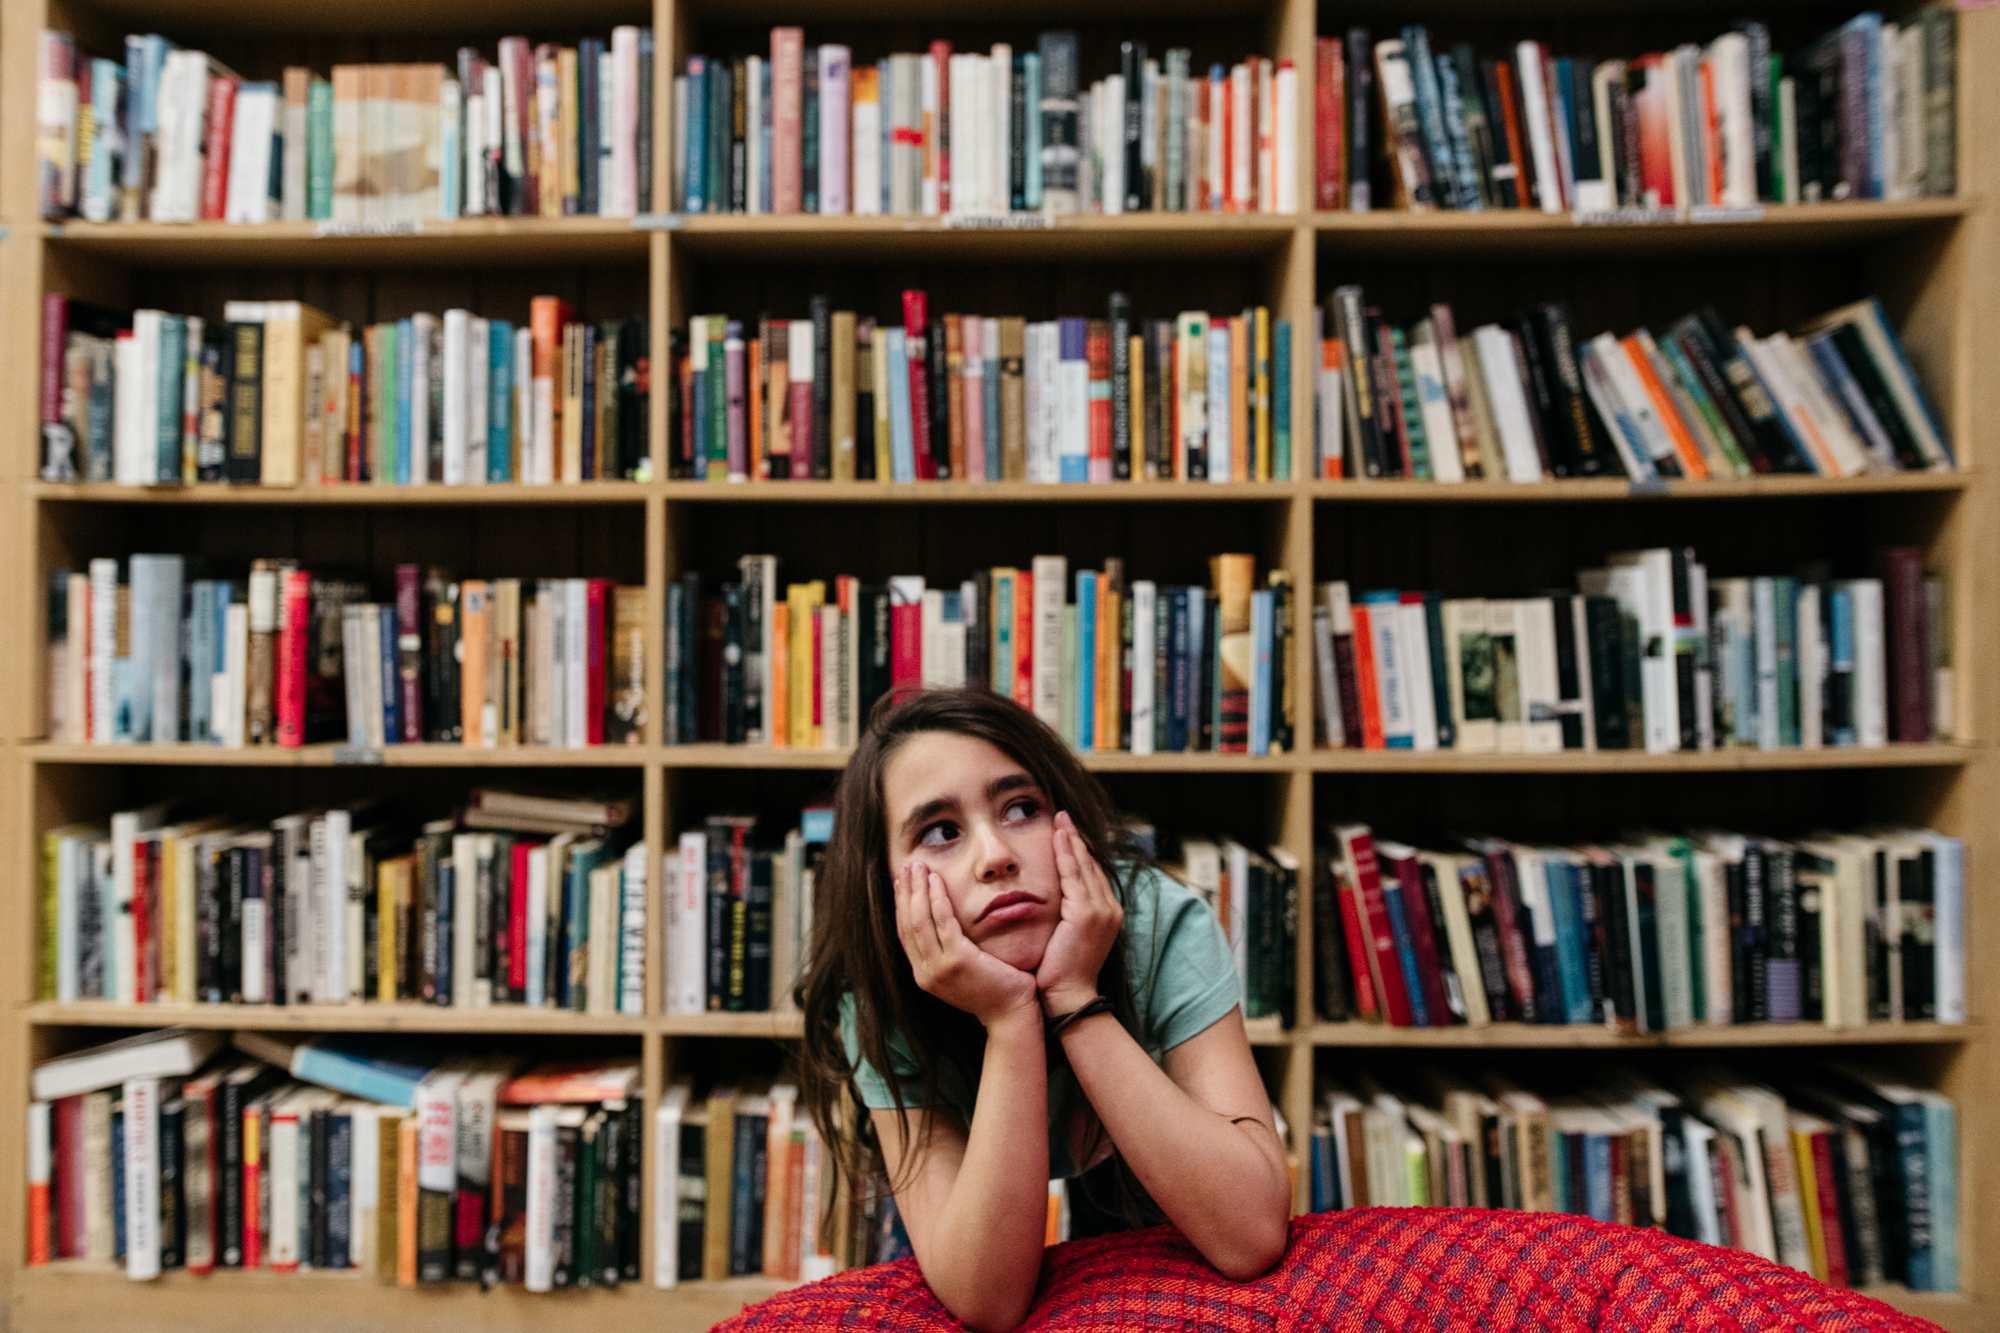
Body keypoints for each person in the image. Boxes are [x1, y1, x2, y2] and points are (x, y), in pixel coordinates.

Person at [798, 688, 1291, 1333]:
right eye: (941, 832)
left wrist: (1074, 999)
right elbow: (989, 1301)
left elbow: (1252, 1235)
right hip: (989, 1191)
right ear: (883, 880)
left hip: (1147, 1168)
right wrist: (1007, 1019)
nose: (995, 855)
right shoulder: (876, 997)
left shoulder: (1159, 925)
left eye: (1022, 809)